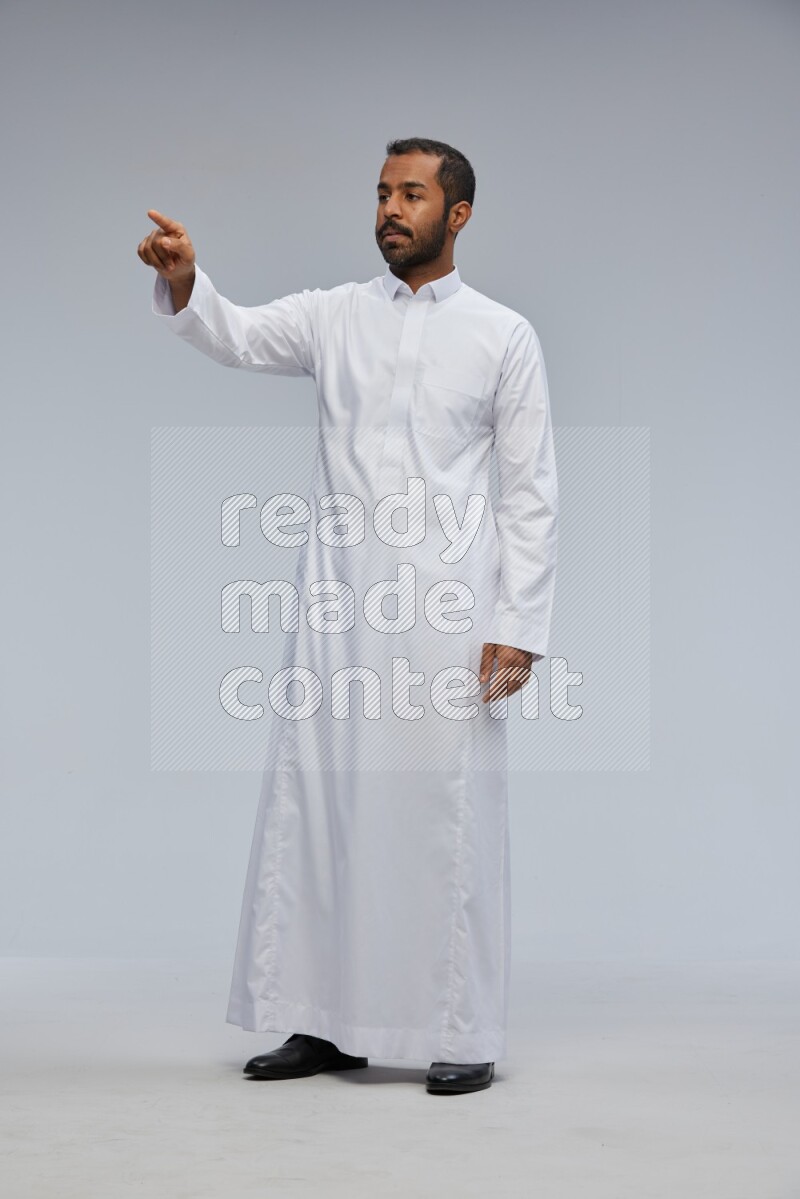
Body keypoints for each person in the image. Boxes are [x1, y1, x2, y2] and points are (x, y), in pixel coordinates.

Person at [139, 137, 559, 1095]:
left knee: (447, 818)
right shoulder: (335, 316)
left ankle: (461, 1028)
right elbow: (237, 334)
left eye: (412, 194)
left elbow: (532, 491)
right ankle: (324, 1023)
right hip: (336, 611)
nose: (390, 210)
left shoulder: (503, 335)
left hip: (450, 616)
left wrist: (520, 625)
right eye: (381, 193)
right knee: (322, 809)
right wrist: (188, 279)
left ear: (457, 214)